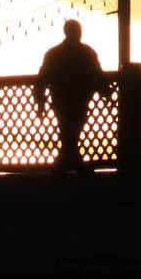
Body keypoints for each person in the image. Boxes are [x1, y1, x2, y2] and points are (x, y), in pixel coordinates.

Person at [32, 20, 112, 172]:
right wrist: (106, 93)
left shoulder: (54, 53)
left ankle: (66, 162)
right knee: (73, 130)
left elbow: (41, 78)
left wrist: (40, 100)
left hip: (60, 99)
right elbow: (98, 74)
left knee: (67, 130)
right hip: (80, 99)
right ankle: (70, 162)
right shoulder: (87, 52)